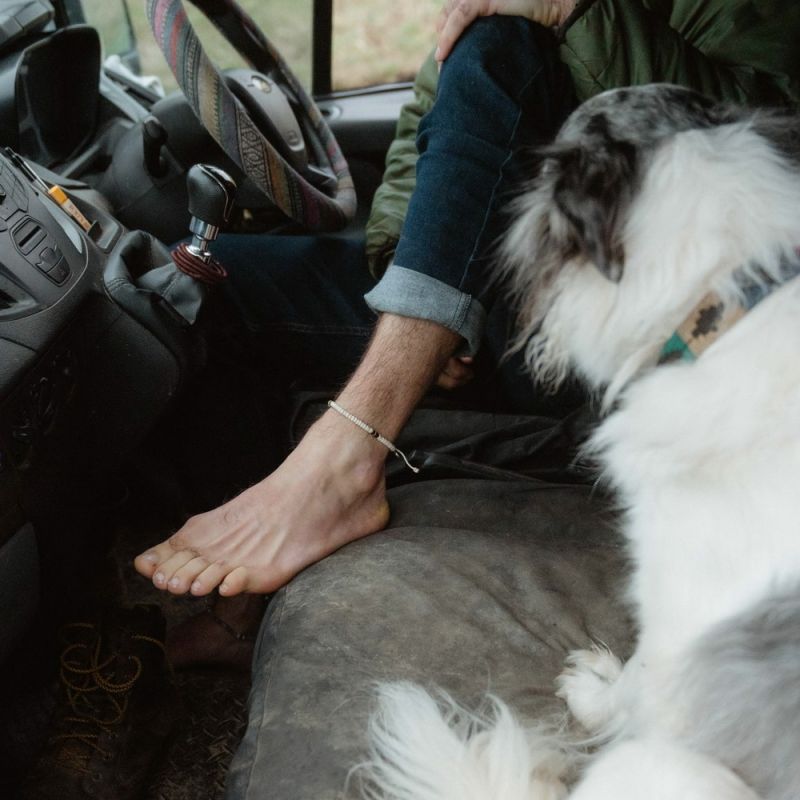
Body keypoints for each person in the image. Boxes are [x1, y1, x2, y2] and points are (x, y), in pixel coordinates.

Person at [134, 0, 800, 602]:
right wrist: (408, 268)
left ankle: (345, 459)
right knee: (196, 284)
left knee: (496, 41)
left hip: (622, 314)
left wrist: (573, 12)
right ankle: (233, 605)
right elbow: (429, 137)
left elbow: (770, 129)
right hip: (472, 290)